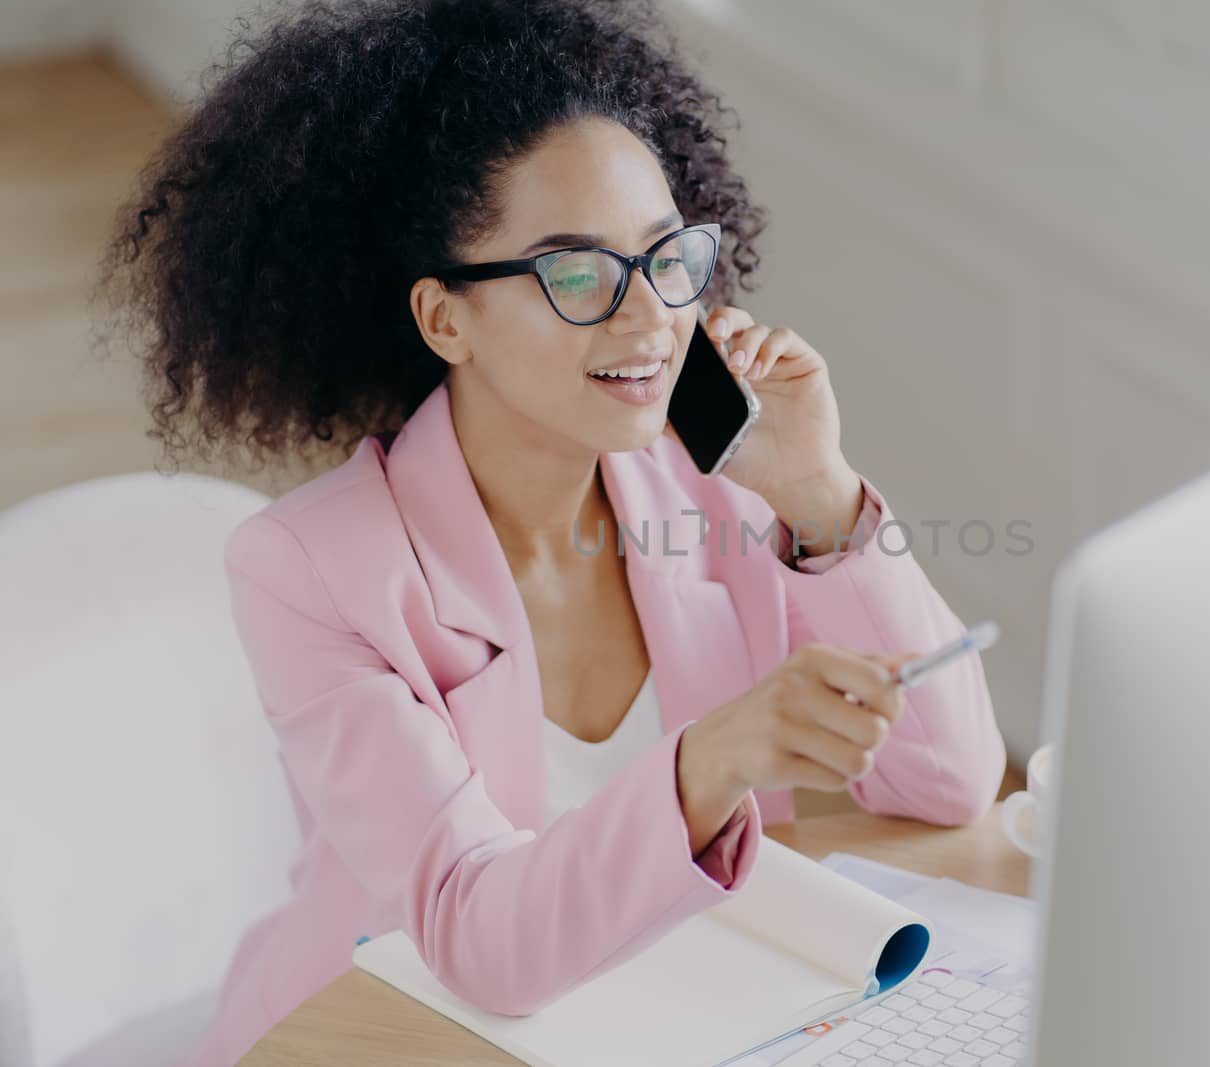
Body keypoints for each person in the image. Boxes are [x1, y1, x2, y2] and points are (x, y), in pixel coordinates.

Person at [94, 0, 1006, 1062]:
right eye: (577, 273)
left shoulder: (719, 485)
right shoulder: (314, 569)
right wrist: (710, 759)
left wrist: (819, 494)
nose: (649, 319)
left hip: (686, 1012)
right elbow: (479, 942)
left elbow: (946, 782)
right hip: (388, 1038)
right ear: (445, 318)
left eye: (667, 258)